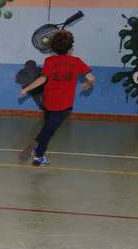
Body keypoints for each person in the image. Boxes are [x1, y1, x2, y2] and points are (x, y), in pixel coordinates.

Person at [18, 30, 94, 166]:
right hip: (63, 104)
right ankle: (35, 144)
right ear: (70, 48)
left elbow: (42, 79)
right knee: (48, 130)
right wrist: (88, 84)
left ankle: (39, 157)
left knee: (48, 128)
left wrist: (26, 88)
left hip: (48, 102)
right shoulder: (76, 62)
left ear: (53, 47)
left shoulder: (50, 61)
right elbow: (90, 77)